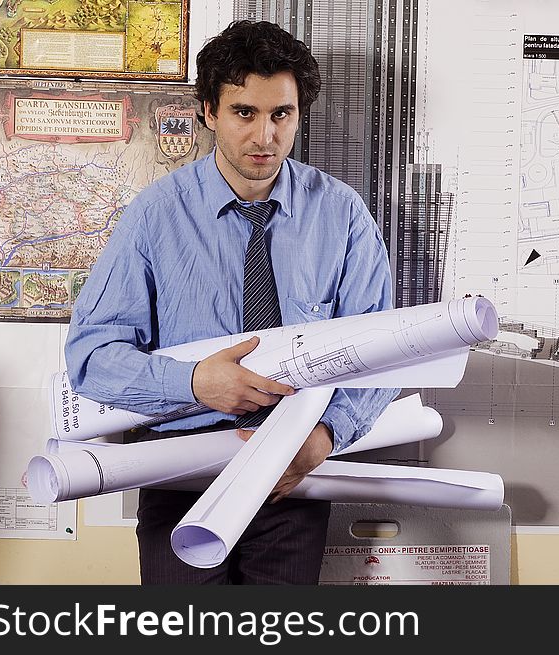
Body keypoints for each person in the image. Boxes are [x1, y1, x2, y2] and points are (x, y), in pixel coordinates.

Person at [65, 20, 398, 584]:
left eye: (281, 115)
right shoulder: (155, 215)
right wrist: (195, 383)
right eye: (245, 112)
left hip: (294, 471)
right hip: (180, 471)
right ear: (208, 112)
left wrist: (325, 436)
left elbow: (381, 349)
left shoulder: (341, 215)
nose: (265, 136)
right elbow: (90, 357)